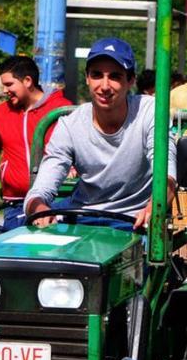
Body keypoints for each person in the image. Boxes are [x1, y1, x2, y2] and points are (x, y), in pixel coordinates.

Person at [25, 37, 176, 231]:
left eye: (114, 76)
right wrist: (39, 208)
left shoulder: (150, 112)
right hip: (82, 217)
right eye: (97, 75)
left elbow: (167, 173)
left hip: (135, 221)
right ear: (87, 78)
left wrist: (154, 208)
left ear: (130, 81)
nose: (104, 86)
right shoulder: (70, 125)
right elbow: (41, 188)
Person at [0, 56, 73, 231]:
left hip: (57, 200)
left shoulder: (61, 109)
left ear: (28, 81)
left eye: (9, 84)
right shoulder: (2, 113)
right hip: (17, 202)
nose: (5, 90)